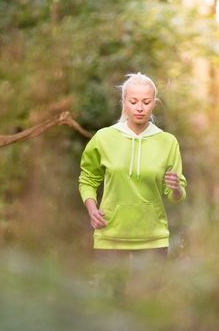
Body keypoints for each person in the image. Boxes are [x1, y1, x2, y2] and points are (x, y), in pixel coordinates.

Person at [78, 72, 187, 296]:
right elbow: (87, 178)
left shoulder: (167, 142)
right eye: (133, 101)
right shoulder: (104, 138)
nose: (139, 108)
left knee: (144, 311)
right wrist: (91, 208)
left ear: (154, 104)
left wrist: (176, 187)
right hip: (110, 236)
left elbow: (176, 195)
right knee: (109, 309)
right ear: (124, 103)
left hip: (152, 239)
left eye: (146, 102)